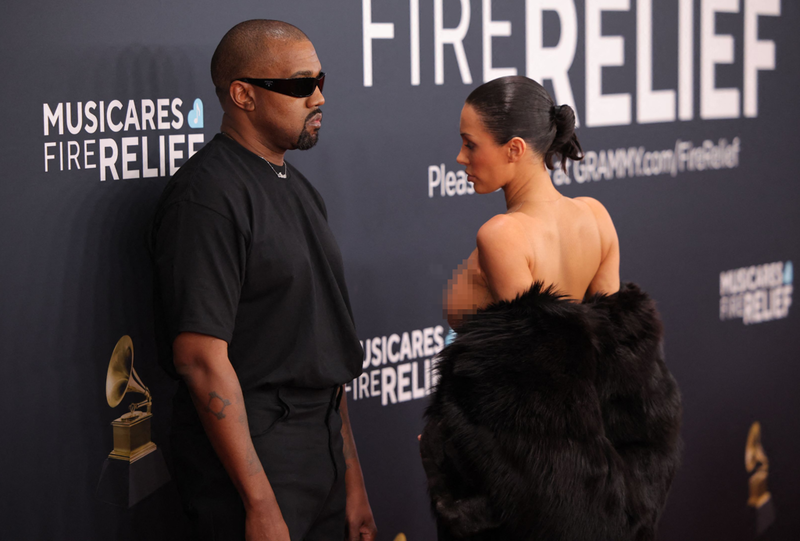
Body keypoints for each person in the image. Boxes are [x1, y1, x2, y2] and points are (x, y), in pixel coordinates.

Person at [420, 76, 682, 540]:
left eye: (470, 144)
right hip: (579, 478)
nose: (460, 158)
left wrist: (452, 454)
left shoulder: (502, 237)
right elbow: (612, 362)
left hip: (519, 497)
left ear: (515, 149)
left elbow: (532, 393)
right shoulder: (595, 216)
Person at [150, 20, 377, 541]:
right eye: (300, 85)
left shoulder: (299, 188)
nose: (318, 97)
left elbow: (324, 355)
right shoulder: (206, 198)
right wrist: (259, 503)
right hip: (255, 456)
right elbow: (200, 359)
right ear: (243, 95)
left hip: (320, 450)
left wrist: (352, 480)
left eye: (320, 81)